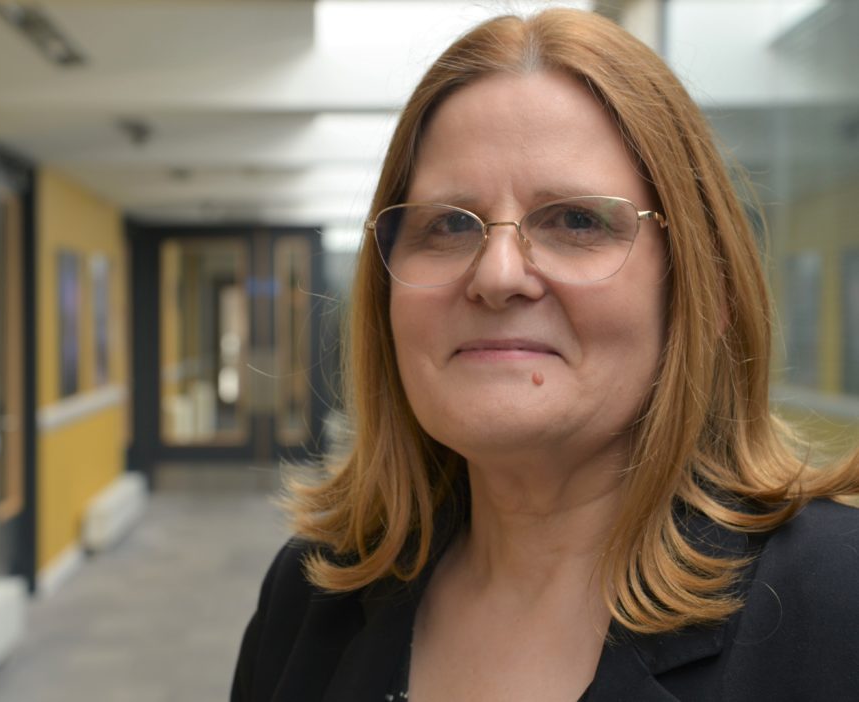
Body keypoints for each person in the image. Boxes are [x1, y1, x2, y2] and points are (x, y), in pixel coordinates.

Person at [232, 8, 859, 702]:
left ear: (704, 291)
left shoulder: (839, 605)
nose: (498, 275)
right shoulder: (308, 597)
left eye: (576, 220)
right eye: (447, 224)